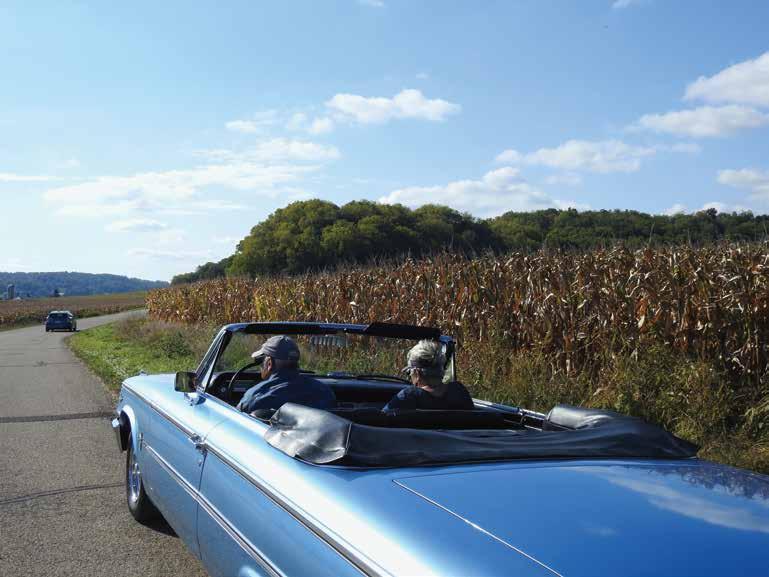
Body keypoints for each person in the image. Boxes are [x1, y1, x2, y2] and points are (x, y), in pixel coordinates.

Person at [237, 335, 336, 414]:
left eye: (262, 362)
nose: (261, 367)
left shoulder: (255, 396)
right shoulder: (324, 391)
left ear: (269, 363)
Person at [382, 339, 474, 412]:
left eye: (409, 372)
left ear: (417, 373)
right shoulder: (459, 392)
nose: (410, 376)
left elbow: (382, 420)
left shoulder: (408, 396)